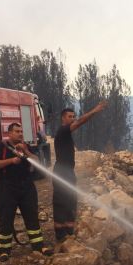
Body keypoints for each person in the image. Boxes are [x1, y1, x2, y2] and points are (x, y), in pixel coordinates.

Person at [0, 122, 51, 262]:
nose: (20, 134)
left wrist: (26, 151)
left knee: (32, 217)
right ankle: (4, 251)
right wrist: (11, 160)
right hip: (7, 188)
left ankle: (38, 246)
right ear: (9, 133)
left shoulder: (25, 146)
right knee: (6, 219)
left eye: (21, 131)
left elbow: (37, 161)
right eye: (17, 131)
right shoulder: (2, 147)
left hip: (26, 187)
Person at [53, 102, 107, 241]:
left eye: (73, 116)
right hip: (61, 172)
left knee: (71, 199)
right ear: (63, 118)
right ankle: (60, 235)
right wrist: (94, 110)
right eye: (70, 116)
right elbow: (80, 122)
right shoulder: (63, 131)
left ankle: (69, 231)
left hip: (68, 171)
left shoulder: (66, 134)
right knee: (60, 201)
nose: (72, 119)